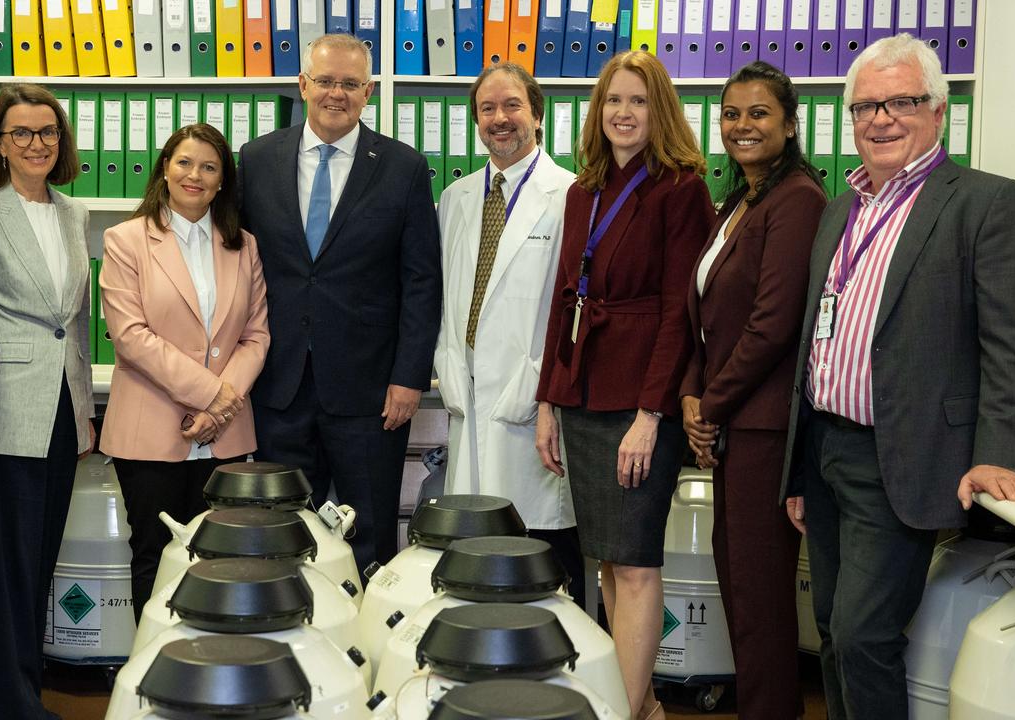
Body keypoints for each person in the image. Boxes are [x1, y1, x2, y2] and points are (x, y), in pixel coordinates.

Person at [780, 33, 1015, 719]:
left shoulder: (984, 203)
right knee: (835, 631)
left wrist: (997, 455)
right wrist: (799, 470)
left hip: (904, 455)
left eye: (901, 101)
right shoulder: (842, 208)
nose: (880, 119)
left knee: (864, 635)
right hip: (827, 449)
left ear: (939, 111)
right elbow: (818, 338)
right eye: (865, 106)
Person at [535, 51, 715, 719]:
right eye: (614, 100)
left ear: (659, 110)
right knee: (606, 563)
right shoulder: (584, 188)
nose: (623, 113)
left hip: (640, 399)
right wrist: (550, 400)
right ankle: (639, 708)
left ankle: (627, 708)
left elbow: (681, 309)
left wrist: (652, 414)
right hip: (583, 393)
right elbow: (564, 297)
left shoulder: (681, 187)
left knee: (636, 564)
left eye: (638, 101)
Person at [238, 33, 441, 572]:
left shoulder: (403, 168)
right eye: (325, 81)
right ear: (303, 85)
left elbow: (422, 281)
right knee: (281, 532)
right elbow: (235, 264)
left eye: (350, 84)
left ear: (369, 91)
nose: (337, 94)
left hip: (371, 394)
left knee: (368, 535)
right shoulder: (256, 160)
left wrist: (409, 378)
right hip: (278, 385)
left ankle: (362, 650)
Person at [678, 61, 826, 720]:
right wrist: (690, 395)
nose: (742, 126)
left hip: (764, 430)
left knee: (761, 598)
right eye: (732, 113)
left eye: (759, 113)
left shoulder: (798, 200)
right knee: (740, 589)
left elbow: (773, 324)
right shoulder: (740, 199)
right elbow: (706, 315)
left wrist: (709, 406)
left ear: (790, 123)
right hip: (731, 424)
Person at [0, 83, 95, 719]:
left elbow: (76, 321)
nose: (37, 143)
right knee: (2, 566)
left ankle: (20, 694)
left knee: (38, 561)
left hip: (64, 409)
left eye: (47, 132)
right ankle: (2, 703)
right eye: (22, 133)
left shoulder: (75, 214)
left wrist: (86, 410)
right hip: (8, 408)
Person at [99, 123, 269, 618]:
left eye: (209, 167)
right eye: (184, 163)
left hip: (227, 435)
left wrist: (221, 407)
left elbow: (256, 336)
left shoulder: (245, 245)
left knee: (221, 561)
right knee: (156, 558)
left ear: (222, 182)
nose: (195, 175)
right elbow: (131, 337)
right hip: (151, 431)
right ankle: (155, 675)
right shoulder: (125, 240)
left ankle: (211, 677)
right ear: (165, 170)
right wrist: (212, 397)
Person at [434, 62, 583, 604]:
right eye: (487, 109)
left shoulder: (571, 195)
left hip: (534, 405)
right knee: (475, 553)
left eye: (512, 106)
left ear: (538, 115)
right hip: (468, 396)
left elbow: (575, 308)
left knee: (542, 554)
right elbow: (448, 301)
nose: (500, 119)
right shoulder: (456, 199)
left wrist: (540, 383)